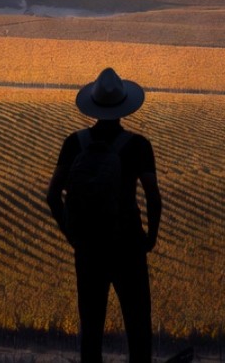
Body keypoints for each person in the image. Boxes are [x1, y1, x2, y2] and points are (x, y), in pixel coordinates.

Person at [46, 67, 162, 363]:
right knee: (138, 329)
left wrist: (72, 234)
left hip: (89, 249)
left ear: (93, 106)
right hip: (128, 247)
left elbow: (52, 195)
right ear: (125, 106)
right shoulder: (138, 145)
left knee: (91, 330)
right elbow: (152, 196)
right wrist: (149, 237)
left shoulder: (74, 143)